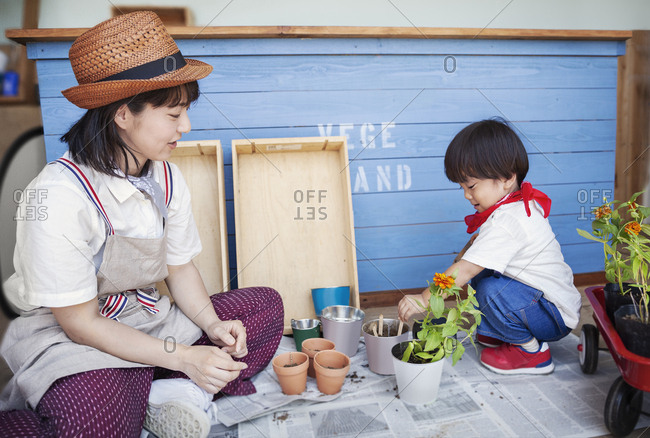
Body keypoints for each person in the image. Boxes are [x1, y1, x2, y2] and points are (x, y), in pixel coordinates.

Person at [0, 11, 284, 438]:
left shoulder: (166, 176)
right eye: (173, 115)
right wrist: (184, 358)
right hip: (79, 339)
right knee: (92, 425)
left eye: (185, 112)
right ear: (122, 114)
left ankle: (153, 389)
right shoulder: (58, 195)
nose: (185, 127)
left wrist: (210, 325)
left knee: (265, 307)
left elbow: (180, 268)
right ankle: (163, 386)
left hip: (151, 318)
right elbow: (81, 323)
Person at [398, 119, 581, 375]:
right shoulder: (513, 207)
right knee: (485, 275)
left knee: (489, 288)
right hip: (542, 302)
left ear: (506, 178)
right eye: (461, 187)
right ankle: (500, 330)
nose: (466, 195)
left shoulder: (508, 221)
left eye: (471, 186)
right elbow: (472, 253)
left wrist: (424, 298)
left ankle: (531, 352)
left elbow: (465, 270)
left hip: (552, 315)